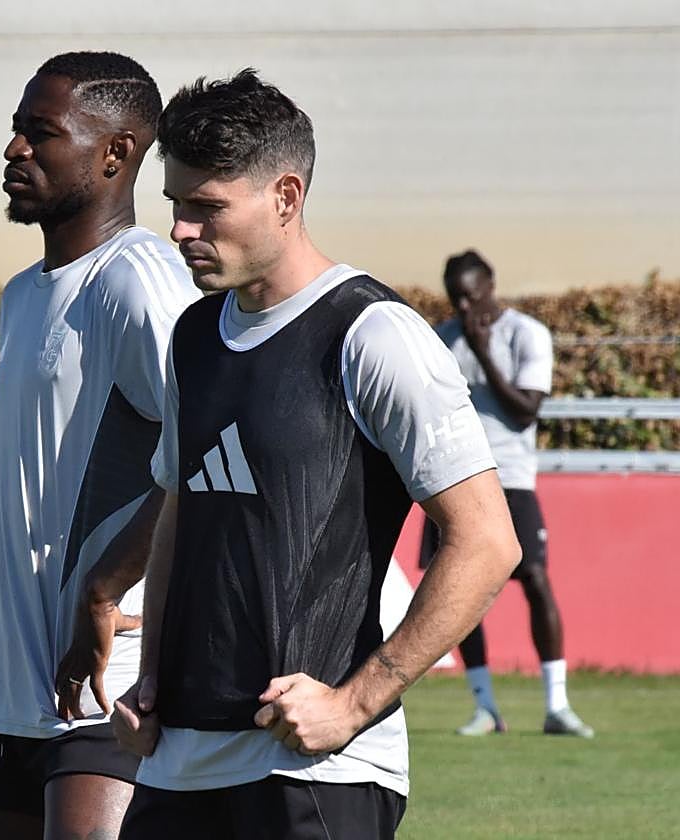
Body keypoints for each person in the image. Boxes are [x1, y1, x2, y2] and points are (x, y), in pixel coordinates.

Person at [110, 70, 522, 839]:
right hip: (177, 759)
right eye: (175, 206)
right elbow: (180, 510)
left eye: (206, 209)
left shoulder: (373, 335)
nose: (180, 232)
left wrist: (354, 704)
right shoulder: (193, 337)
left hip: (312, 768)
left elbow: (487, 541)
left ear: (286, 197)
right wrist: (154, 676)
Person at [0, 52, 200, 839]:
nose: (15, 151)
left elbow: (205, 449)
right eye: (15, 131)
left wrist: (104, 589)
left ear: (115, 153)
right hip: (8, 685)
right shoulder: (22, 294)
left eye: (40, 133)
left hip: (103, 686)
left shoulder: (139, 279)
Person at [423, 249, 594, 738]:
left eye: (470, 295)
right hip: (454, 478)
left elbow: (525, 411)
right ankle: (485, 708)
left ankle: (557, 705)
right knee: (458, 587)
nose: (462, 306)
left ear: (491, 285)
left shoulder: (526, 334)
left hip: (511, 477)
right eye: (454, 297)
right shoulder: (442, 338)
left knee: (535, 578)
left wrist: (482, 353)